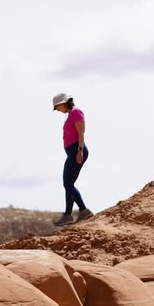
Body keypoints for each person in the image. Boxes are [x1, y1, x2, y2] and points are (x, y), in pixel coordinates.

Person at [52, 92, 93, 225]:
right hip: (72, 152)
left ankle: (73, 214)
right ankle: (79, 212)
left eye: (57, 108)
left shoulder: (76, 112)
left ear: (63, 104)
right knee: (68, 183)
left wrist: (79, 151)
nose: (58, 110)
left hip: (77, 150)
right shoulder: (70, 114)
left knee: (68, 183)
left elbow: (81, 133)